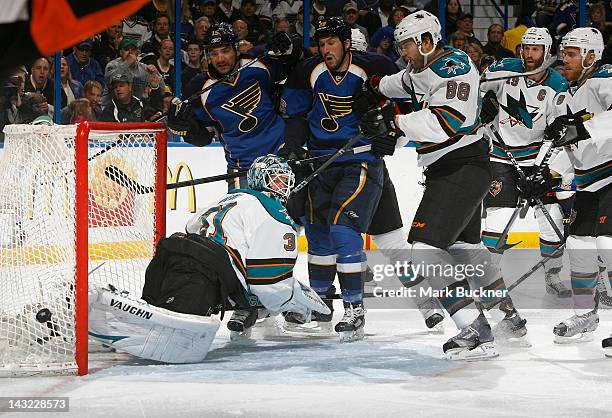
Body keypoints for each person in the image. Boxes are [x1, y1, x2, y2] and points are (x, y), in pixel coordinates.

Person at [364, 11, 526, 359]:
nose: (402, 52)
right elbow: (395, 83)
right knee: (465, 249)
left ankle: (476, 331)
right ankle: (508, 319)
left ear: (426, 42)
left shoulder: (455, 68)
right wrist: (370, 85)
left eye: (407, 44)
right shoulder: (419, 69)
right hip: (456, 169)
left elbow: (445, 122)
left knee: (424, 248)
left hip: (462, 169)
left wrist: (393, 123)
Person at [88, 154, 330, 363]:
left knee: (160, 305)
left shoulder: (229, 198)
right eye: (276, 180)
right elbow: (268, 283)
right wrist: (293, 303)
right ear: (260, 180)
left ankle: (118, 316)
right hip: (206, 269)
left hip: (170, 251)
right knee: (179, 320)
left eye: (284, 181)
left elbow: (193, 225)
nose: (282, 186)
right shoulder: (275, 214)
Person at [280, 17, 398, 342]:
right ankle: (319, 303)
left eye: (332, 42)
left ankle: (354, 310)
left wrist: (387, 129)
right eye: (321, 43)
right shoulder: (308, 71)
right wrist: (293, 149)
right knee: (317, 236)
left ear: (347, 43)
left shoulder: (374, 68)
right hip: (320, 163)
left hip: (359, 162)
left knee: (344, 230)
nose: (325, 49)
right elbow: (296, 117)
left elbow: (400, 104)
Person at [479, 27, 570, 301]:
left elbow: (563, 131)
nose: (528, 54)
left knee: (552, 218)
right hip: (501, 155)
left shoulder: (558, 86)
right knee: (498, 219)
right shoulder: (504, 69)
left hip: (538, 159)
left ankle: (552, 276)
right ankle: (486, 281)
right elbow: (474, 90)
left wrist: (550, 155)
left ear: (547, 52)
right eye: (525, 48)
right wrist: (485, 102)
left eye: (535, 49)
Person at [167, 23, 298, 190]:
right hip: (242, 168)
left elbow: (297, 61)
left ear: (236, 48)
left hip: (280, 157)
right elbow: (204, 138)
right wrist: (185, 130)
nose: (220, 59)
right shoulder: (198, 88)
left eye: (225, 51)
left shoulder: (259, 62)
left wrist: (291, 46)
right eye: (214, 53)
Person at [543, 28, 612, 346]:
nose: (564, 59)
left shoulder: (605, 78)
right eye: (564, 53)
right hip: (589, 182)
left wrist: (579, 128)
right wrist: (550, 174)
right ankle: (586, 314)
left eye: (571, 54)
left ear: (591, 56)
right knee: (579, 246)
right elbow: (571, 145)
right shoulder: (568, 93)